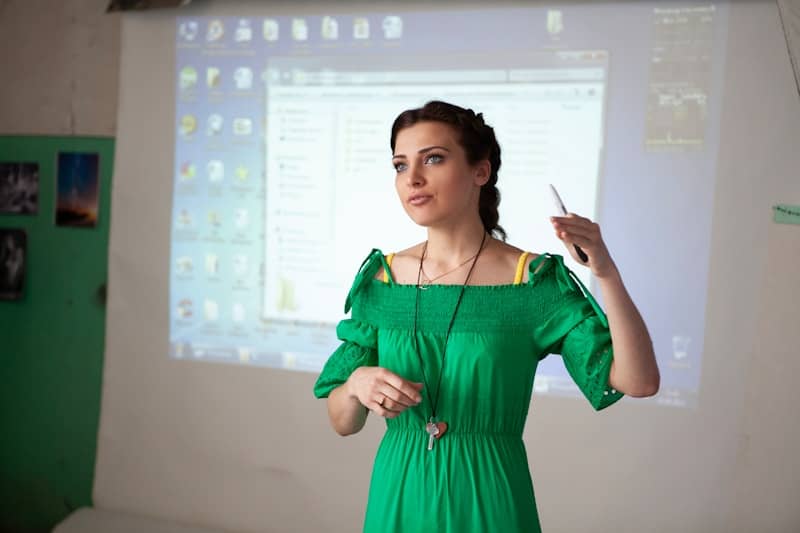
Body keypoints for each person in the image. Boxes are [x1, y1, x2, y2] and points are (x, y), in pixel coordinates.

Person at [313, 100, 659, 532]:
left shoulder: (532, 282)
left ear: (481, 170)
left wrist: (604, 271)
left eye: (433, 159)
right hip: (398, 496)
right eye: (400, 166)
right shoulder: (382, 280)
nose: (413, 179)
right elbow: (342, 423)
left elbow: (639, 382)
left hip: (490, 499)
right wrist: (355, 385)